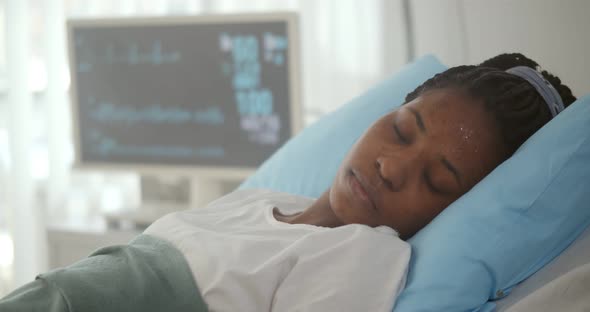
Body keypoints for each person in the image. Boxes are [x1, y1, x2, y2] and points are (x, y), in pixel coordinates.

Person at [0, 53, 577, 312]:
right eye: (402, 131)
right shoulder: (264, 200)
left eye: (436, 179)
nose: (393, 166)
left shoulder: (362, 258)